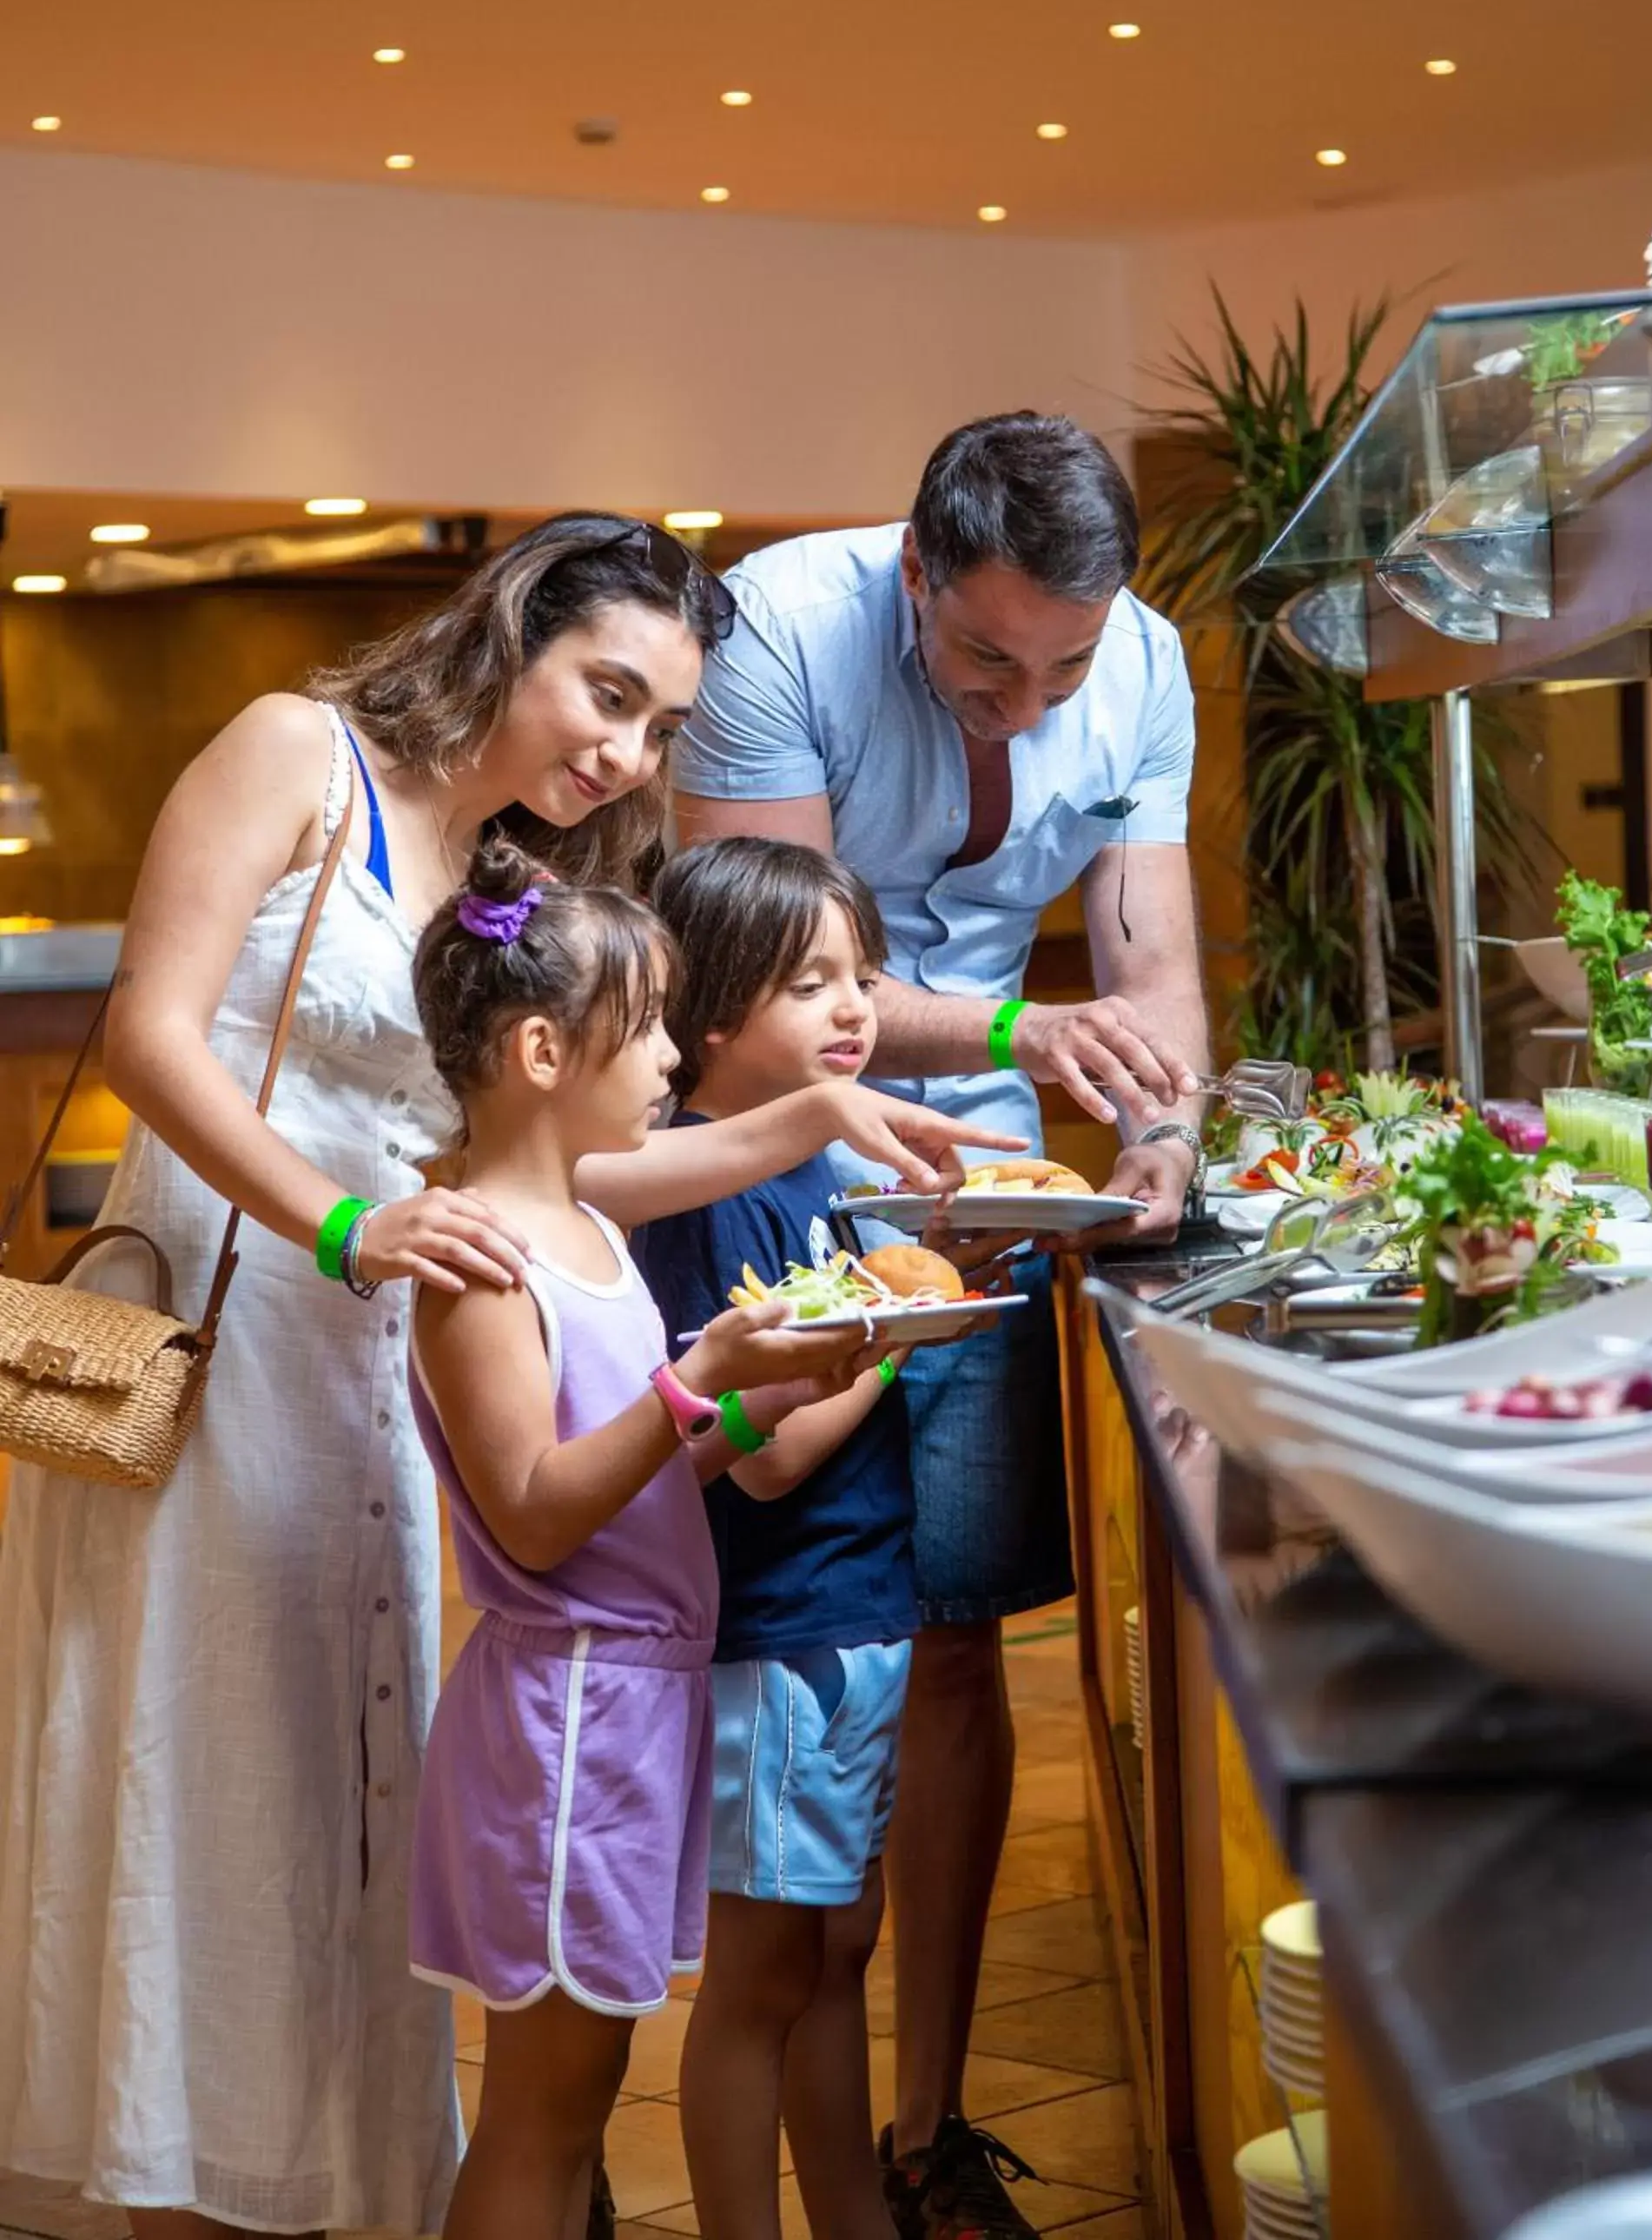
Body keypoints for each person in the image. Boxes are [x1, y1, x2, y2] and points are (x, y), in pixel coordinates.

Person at [0, 512, 1017, 2240]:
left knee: (342, 1800)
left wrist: (808, 1121)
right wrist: (338, 1228)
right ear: (512, 633)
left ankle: (299, 2180)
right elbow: (158, 1034)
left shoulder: (514, 884)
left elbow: (528, 1184)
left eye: (659, 728)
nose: (620, 751)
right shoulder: (291, 753)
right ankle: (157, 2180)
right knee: (203, 1769)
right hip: (230, 1351)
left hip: (386, 1369)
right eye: (603, 692)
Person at [672, 414, 1211, 2237]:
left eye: (1065, 663)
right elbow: (762, 991)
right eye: (988, 657)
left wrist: (1158, 1142)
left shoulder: (1137, 664)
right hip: (788, 1159)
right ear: (913, 578)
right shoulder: (772, 626)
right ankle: (773, 2051)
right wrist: (1008, 1038)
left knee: (965, 1642)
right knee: (811, 1621)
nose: (1031, 699)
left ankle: (927, 2121)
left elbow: (1151, 969)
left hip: (996, 1187)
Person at [406, 841, 876, 2240]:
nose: (672, 1052)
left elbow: (647, 1471)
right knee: (544, 2110)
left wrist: (749, 1403)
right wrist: (697, 1382)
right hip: (566, 1715)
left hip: (627, 1707)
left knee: (588, 2084)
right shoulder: (488, 1256)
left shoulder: (587, 1223)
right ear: (546, 1048)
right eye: (651, 1021)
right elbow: (539, 1515)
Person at [635, 838, 919, 2240]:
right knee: (759, 1973)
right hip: (779, 1635)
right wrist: (908, 1326)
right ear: (710, 1015)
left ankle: (852, 2216)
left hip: (852, 1609)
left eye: (858, 973)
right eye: (810, 983)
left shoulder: (818, 1164)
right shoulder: (696, 1191)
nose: (853, 1006)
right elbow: (764, 1453)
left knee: (838, 1943)